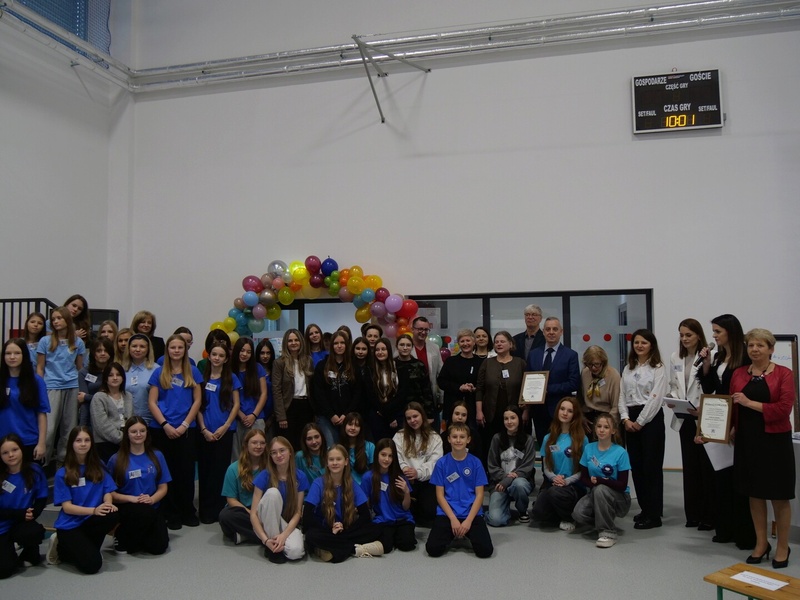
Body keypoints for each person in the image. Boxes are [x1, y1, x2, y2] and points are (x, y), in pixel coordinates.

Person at [730, 329, 795, 569]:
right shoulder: (738, 373)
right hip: (747, 441)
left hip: (775, 441)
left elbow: (783, 409)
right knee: (754, 493)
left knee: (779, 495)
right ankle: (761, 543)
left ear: (771, 349)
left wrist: (749, 403)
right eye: (751, 345)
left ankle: (782, 546)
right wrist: (729, 428)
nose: (755, 349)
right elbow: (731, 406)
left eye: (760, 345)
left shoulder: (784, 373)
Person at [697, 313, 754, 548]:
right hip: (720, 418)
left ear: (730, 331)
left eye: (717, 331)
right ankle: (725, 528)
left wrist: (734, 425)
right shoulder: (719, 357)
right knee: (721, 477)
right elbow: (711, 388)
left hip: (737, 420)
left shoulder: (744, 358)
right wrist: (706, 364)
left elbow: (742, 392)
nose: (714, 336)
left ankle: (743, 532)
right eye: (713, 331)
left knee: (738, 479)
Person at [147, 334, 203, 529]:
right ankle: (171, 513)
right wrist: (165, 425)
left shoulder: (193, 371)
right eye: (173, 347)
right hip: (162, 429)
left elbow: (197, 400)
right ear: (167, 350)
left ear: (185, 350)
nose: (177, 351)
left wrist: (185, 424)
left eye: (180, 347)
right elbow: (152, 402)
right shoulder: (158, 373)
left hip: (186, 429)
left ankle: (187, 511)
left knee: (186, 472)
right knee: (166, 472)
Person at [666, 319, 715, 531]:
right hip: (684, 415)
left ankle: (708, 516)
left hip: (703, 416)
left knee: (706, 467)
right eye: (682, 335)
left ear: (698, 335)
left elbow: (712, 387)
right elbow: (674, 384)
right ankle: (693, 514)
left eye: (689, 335)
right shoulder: (675, 357)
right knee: (690, 467)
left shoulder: (709, 356)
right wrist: (671, 398)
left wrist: (702, 407)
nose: (685, 339)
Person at [48, 427, 119, 573]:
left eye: (87, 440)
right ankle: (61, 547)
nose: (83, 444)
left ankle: (88, 548)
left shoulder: (99, 466)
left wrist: (108, 503)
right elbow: (67, 507)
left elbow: (107, 491)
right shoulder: (63, 473)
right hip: (70, 525)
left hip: (90, 521)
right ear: (71, 444)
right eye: (78, 440)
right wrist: (94, 510)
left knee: (112, 514)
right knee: (92, 566)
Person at [618, 329, 667, 530]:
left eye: (644, 342)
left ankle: (654, 515)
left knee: (651, 468)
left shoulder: (658, 368)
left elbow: (656, 398)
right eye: (636, 342)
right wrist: (625, 418)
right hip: (630, 419)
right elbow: (621, 395)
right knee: (637, 467)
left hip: (650, 420)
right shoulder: (628, 368)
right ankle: (645, 509)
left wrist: (640, 421)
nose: (639, 346)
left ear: (651, 345)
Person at [302, 444, 384, 562]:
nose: (335, 463)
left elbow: (365, 515)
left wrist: (344, 529)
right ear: (326, 462)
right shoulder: (318, 483)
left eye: (338, 459)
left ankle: (329, 549)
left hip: (346, 528)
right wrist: (331, 529)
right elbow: (307, 516)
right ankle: (355, 549)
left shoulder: (352, 484)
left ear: (346, 462)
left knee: (376, 529)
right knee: (311, 535)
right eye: (331, 459)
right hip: (326, 529)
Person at [425, 423, 493, 558]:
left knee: (485, 551)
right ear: (449, 439)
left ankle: (463, 532)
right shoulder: (441, 463)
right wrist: (453, 519)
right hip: (448, 513)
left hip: (470, 513)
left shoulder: (476, 463)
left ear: (468, 439)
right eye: (454, 437)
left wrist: (468, 521)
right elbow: (440, 495)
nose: (458, 440)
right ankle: (454, 533)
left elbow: (480, 495)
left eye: (462, 437)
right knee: (433, 549)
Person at [108, 417, 170, 555]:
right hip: (128, 506)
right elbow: (110, 493)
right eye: (133, 431)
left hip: (152, 505)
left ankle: (138, 536)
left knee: (159, 547)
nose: (138, 434)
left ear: (147, 432)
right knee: (134, 543)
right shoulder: (116, 459)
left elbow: (163, 487)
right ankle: (120, 532)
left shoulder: (157, 455)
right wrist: (132, 499)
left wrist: (152, 499)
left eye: (142, 431)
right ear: (127, 434)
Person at [197, 341, 241, 524]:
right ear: (209, 356)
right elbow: (197, 406)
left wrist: (225, 426)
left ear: (226, 359)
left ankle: (218, 509)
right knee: (205, 471)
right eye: (214, 354)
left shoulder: (232, 378)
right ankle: (205, 511)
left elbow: (236, 405)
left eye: (221, 355)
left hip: (225, 432)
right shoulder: (201, 378)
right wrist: (203, 429)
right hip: (205, 432)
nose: (217, 358)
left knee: (220, 471)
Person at [572, 414, 631, 548]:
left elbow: (622, 485)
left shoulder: (621, 452)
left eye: (606, 427)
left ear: (613, 431)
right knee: (578, 514)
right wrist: (591, 482)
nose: (602, 430)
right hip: (596, 493)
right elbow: (584, 477)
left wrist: (601, 481)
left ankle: (608, 533)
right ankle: (603, 519)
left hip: (620, 498)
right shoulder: (589, 448)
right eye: (599, 426)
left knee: (601, 489)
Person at [37, 307, 85, 465]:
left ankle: (63, 464)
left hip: (72, 386)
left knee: (69, 429)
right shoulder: (45, 341)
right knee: (49, 429)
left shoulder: (78, 342)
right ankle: (42, 463)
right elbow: (40, 368)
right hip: (51, 386)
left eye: (59, 318)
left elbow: (80, 368)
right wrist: (40, 388)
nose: (55, 321)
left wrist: (81, 390)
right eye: (53, 319)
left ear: (67, 320)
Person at [532, 397, 588, 530]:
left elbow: (583, 470)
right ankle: (559, 513)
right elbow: (546, 467)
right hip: (554, 483)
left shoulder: (582, 439)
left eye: (570, 411)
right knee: (538, 512)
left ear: (575, 415)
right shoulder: (548, 438)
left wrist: (566, 481)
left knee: (555, 493)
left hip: (573, 485)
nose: (565, 413)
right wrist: (554, 478)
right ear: (557, 411)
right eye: (562, 409)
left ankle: (569, 517)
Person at [250, 437, 308, 563]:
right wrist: (265, 540)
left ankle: (278, 543)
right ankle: (272, 547)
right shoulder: (264, 475)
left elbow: (298, 512)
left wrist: (284, 535)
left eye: (282, 450)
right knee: (273, 493)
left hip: (286, 522)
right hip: (266, 521)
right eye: (274, 452)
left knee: (296, 552)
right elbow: (253, 514)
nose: (278, 455)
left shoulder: (300, 476)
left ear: (290, 452)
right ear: (270, 456)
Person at [526, 317, 581, 445]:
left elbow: (574, 383)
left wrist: (548, 389)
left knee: (560, 446)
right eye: (548, 329)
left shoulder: (570, 355)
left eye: (555, 329)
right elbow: (527, 379)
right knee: (543, 446)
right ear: (543, 332)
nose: (551, 332)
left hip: (561, 410)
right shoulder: (533, 354)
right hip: (538, 411)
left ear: (561, 332)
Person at [0, 434, 48, 578]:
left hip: (23, 522)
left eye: (14, 450)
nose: (11, 455)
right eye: (5, 452)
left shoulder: (34, 470)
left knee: (34, 532)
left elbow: (41, 497)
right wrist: (18, 514)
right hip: (3, 524)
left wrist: (33, 514)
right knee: (4, 571)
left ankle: (30, 550)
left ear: (21, 449)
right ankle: (9, 550)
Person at [476, 331, 526, 462]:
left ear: (511, 344)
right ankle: (492, 471)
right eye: (496, 342)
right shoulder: (487, 363)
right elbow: (480, 388)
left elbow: (526, 389)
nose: (499, 344)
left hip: (514, 414)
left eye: (502, 341)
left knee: (514, 446)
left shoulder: (520, 363)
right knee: (491, 446)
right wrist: (479, 411)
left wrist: (526, 411)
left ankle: (515, 470)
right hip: (491, 414)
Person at [361, 438, 416, 552]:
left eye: (390, 456)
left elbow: (406, 507)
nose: (386, 459)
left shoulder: (400, 476)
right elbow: (365, 504)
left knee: (407, 545)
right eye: (383, 455)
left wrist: (406, 492)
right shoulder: (368, 477)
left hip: (402, 519)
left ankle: (396, 536)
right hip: (383, 520)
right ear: (377, 454)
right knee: (385, 547)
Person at [392, 402, 443, 526]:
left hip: (426, 480)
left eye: (415, 416)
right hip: (405, 479)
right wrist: (405, 469)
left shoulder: (435, 437)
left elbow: (435, 462)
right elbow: (396, 456)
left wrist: (418, 472)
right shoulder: (399, 436)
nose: (412, 420)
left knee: (429, 513)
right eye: (409, 418)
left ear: (422, 416)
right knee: (405, 511)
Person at [0, 339, 49, 462]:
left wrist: (41, 443)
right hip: (3, 442)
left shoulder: (36, 381)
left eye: (17, 353)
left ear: (24, 355)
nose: (12, 357)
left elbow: (41, 414)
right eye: (8, 353)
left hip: (28, 441)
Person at [486, 406, 536, 526]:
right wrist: (504, 478)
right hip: (499, 484)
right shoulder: (496, 438)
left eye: (513, 418)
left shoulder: (528, 440)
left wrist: (508, 480)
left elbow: (527, 467)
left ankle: (522, 511)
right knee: (496, 520)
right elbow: (492, 465)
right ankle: (503, 510)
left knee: (519, 485)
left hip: (520, 480)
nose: (509, 422)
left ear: (519, 419)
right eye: (506, 418)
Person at [220, 429, 268, 544]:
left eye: (262, 443)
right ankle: (267, 535)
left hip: (265, 510)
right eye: (254, 442)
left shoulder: (270, 467)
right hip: (244, 511)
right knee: (225, 516)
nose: (258, 446)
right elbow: (231, 500)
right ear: (246, 445)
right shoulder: (233, 468)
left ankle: (247, 535)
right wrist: (251, 514)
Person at [313, 331, 360, 447]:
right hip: (327, 417)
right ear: (331, 345)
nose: (339, 346)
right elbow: (318, 393)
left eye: (342, 343)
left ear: (347, 345)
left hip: (348, 417)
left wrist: (346, 414)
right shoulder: (322, 366)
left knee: (348, 448)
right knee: (332, 448)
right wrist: (331, 415)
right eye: (336, 343)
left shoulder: (354, 366)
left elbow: (358, 393)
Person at [273, 329, 314, 451]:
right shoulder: (279, 363)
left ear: (301, 342)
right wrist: (281, 416)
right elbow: (276, 390)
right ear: (286, 343)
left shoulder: (308, 361)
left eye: (296, 340)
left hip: (306, 406)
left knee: (304, 443)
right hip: (289, 407)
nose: (293, 343)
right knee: (289, 444)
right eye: (290, 341)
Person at [437, 328, 482, 427]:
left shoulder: (480, 362)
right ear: (458, 343)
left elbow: (483, 384)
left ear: (474, 342)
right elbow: (441, 381)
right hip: (452, 407)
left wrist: (474, 388)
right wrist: (459, 387)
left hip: (473, 408)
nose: (465, 344)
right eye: (462, 341)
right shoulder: (451, 361)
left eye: (468, 340)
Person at [231, 337, 267, 459]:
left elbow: (263, 394)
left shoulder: (257, 368)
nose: (245, 354)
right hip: (236, 419)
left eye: (249, 352)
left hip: (256, 418)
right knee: (237, 457)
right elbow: (228, 398)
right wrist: (241, 415)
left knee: (257, 455)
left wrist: (254, 415)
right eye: (242, 350)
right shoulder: (229, 370)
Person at [89, 362, 133, 462]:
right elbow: (102, 426)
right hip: (105, 444)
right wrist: (122, 439)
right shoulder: (99, 397)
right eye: (111, 375)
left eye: (118, 375)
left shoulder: (128, 396)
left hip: (127, 442)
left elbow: (131, 420)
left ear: (123, 378)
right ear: (105, 378)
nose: (115, 378)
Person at [579, 345, 621, 437]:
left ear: (603, 362)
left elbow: (616, 407)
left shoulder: (614, 375)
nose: (593, 368)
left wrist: (609, 425)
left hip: (607, 418)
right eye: (590, 364)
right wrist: (581, 417)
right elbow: (580, 399)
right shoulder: (585, 372)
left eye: (597, 364)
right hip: (589, 417)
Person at [395, 335, 436, 424]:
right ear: (397, 346)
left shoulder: (419, 365)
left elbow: (426, 390)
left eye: (408, 345)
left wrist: (429, 413)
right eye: (402, 345)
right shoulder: (392, 364)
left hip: (417, 409)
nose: (405, 348)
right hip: (397, 410)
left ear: (412, 347)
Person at [368, 338, 401, 441]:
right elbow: (371, 395)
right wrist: (386, 414)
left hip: (396, 412)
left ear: (389, 351)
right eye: (377, 350)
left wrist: (391, 414)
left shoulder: (398, 367)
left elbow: (401, 393)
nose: (380, 352)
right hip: (378, 414)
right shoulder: (370, 369)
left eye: (383, 349)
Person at [410, 317, 443, 421]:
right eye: (420, 329)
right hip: (411, 399)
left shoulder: (435, 348)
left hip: (431, 398)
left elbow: (440, 374)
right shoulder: (405, 347)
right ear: (412, 329)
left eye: (426, 330)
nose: (423, 332)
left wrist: (441, 398)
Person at [78, 338, 113, 427]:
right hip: (91, 416)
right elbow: (83, 402)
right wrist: (83, 426)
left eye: (106, 351)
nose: (103, 353)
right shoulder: (84, 372)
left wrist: (87, 397)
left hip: (112, 416)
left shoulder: (115, 372)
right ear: (93, 353)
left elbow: (113, 398)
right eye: (99, 351)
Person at [122, 333, 157, 423]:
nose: (138, 349)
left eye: (142, 346)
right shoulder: (121, 370)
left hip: (150, 421)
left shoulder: (156, 370)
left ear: (148, 349)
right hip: (126, 420)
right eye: (134, 346)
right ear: (129, 348)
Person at [341, 412, 374, 485]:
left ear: (361, 428)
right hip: (346, 487)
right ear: (344, 426)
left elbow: (374, 472)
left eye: (357, 425)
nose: (353, 428)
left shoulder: (370, 447)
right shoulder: (339, 448)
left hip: (365, 487)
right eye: (350, 424)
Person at [255, 338, 276, 438]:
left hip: (273, 415)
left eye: (268, 353)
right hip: (257, 415)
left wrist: (272, 417)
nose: (265, 356)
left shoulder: (276, 370)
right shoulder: (253, 371)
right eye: (262, 353)